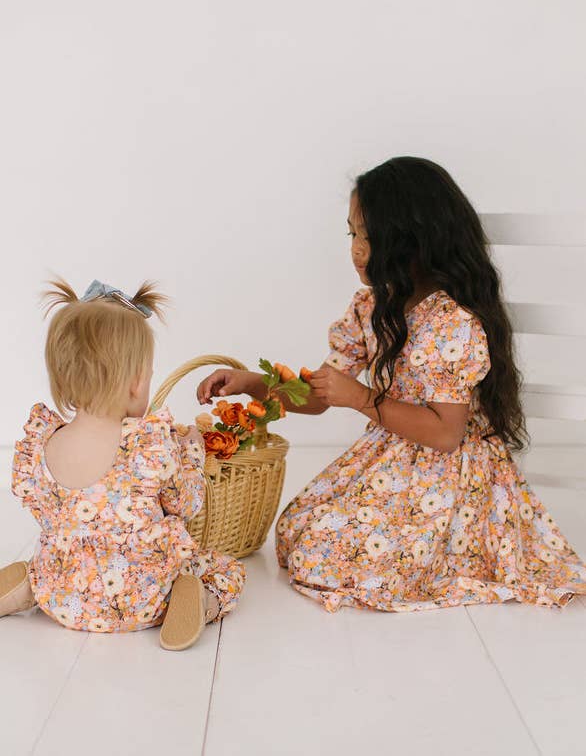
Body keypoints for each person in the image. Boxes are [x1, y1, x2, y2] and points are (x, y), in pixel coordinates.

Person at [197, 156, 586, 613]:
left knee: (332, 560)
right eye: (353, 233)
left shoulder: (451, 322)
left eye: (370, 236)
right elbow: (321, 397)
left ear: (417, 241)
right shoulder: (372, 307)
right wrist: (254, 383)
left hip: (449, 474)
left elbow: (446, 434)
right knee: (297, 532)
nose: (357, 249)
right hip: (391, 452)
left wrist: (362, 398)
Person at [0, 279, 245, 649]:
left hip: (65, 594)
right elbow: (187, 505)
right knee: (223, 569)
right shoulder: (149, 445)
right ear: (135, 384)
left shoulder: (42, 444)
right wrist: (192, 451)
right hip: (143, 598)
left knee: (59, 562)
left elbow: (49, 513)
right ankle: (199, 599)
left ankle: (32, 585)